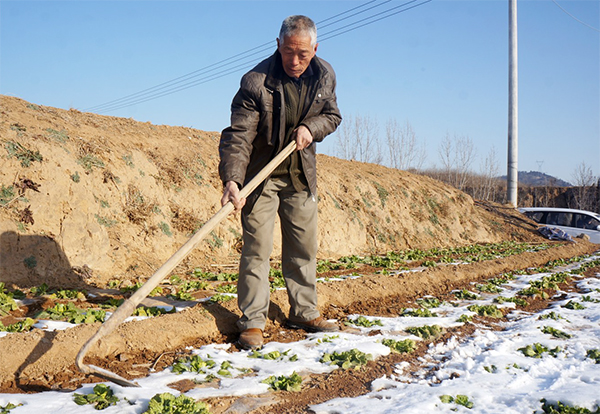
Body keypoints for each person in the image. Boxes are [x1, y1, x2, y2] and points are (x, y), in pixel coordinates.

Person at [218, 15, 342, 350]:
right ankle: (253, 322)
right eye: (289, 52)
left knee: (303, 248)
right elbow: (239, 136)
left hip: (301, 177)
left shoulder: (324, 75)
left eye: (303, 54)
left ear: (315, 49)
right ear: (277, 45)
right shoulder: (255, 82)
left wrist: (311, 128)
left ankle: (303, 312)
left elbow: (332, 116)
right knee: (256, 250)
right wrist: (232, 180)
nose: (296, 60)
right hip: (261, 177)